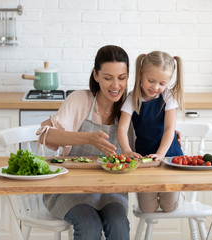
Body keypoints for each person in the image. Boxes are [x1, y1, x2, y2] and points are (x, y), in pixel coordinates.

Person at [37, 45, 131, 240]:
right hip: (70, 189)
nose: (115, 86)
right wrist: (87, 138)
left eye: (121, 78)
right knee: (89, 226)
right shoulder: (80, 100)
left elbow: (152, 132)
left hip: (110, 190)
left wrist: (170, 133)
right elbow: (46, 136)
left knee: (119, 224)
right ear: (96, 75)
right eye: (108, 78)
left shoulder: (128, 107)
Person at [117, 51, 185, 213]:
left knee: (170, 207)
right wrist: (127, 150)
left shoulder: (168, 96)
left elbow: (169, 129)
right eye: (151, 81)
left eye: (162, 83)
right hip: (145, 159)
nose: (155, 87)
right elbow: (122, 127)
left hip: (169, 156)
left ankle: (179, 192)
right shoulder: (132, 98)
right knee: (147, 209)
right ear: (141, 74)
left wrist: (161, 154)